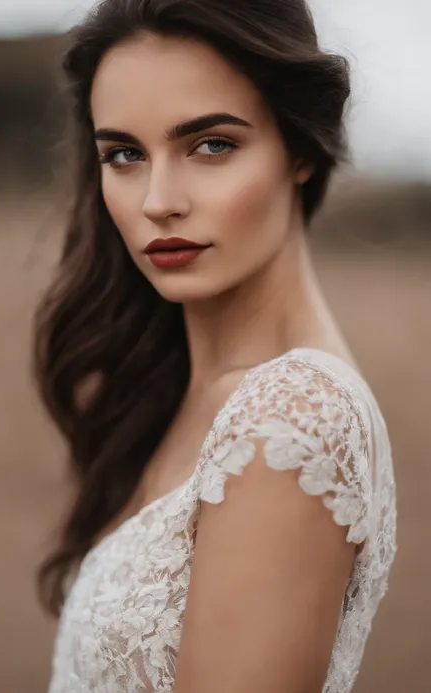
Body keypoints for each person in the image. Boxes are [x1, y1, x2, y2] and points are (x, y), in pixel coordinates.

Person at [33, 1, 397, 691]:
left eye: (211, 144)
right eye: (125, 155)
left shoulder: (291, 420)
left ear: (299, 147)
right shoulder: (182, 387)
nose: (157, 201)